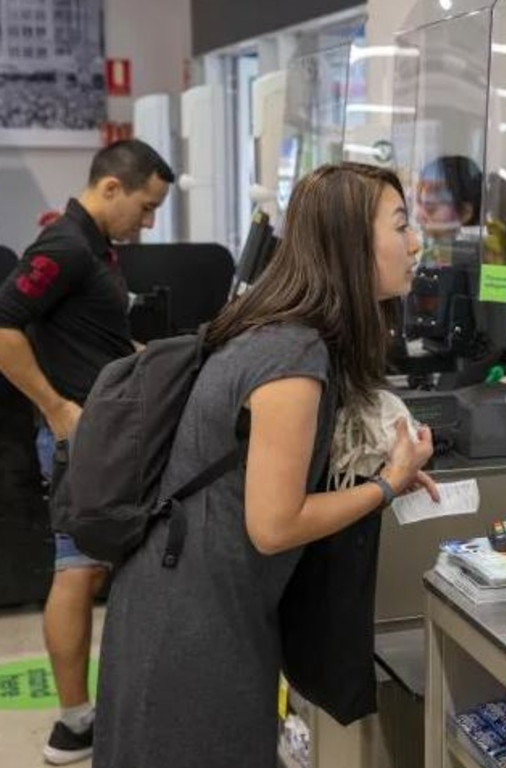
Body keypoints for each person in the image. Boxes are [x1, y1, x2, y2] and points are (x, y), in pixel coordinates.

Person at [92, 162, 438, 768]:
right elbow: (274, 524)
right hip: (192, 625)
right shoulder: (294, 353)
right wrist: (387, 485)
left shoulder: (285, 331)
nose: (416, 244)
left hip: (193, 599)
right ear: (349, 244)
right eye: (402, 225)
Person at [0, 138, 173, 765]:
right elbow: (3, 328)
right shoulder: (65, 246)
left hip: (106, 426)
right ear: (110, 189)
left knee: (95, 565)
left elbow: (84, 335)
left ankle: (100, 708)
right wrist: (56, 407)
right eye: (145, 207)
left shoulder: (95, 248)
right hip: (81, 434)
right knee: (77, 568)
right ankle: (73, 725)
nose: (147, 223)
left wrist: (141, 358)